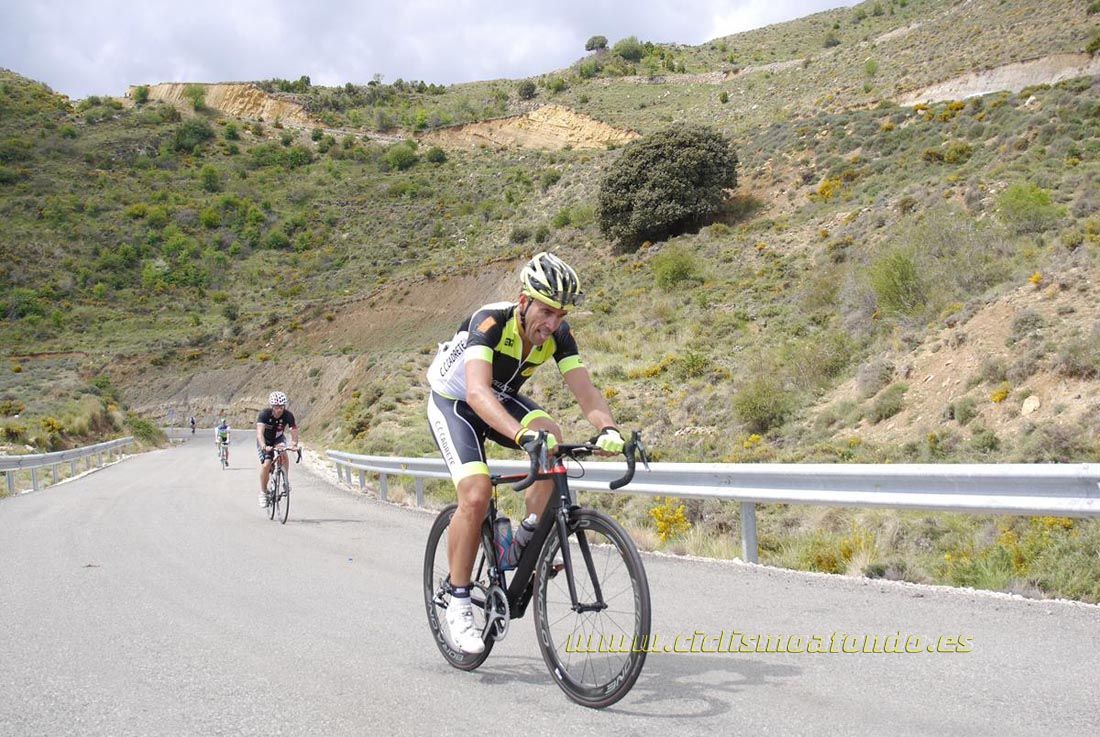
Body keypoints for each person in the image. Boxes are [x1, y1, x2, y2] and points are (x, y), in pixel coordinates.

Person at [426, 251, 625, 654]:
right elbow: (478, 393)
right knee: (476, 494)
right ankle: (459, 600)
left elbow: (584, 389)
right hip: (457, 402)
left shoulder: (559, 335)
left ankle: (529, 534)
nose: (551, 323)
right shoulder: (490, 321)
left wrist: (608, 429)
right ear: (523, 302)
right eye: (546, 312)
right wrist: (520, 436)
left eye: (560, 314)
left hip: (499, 398)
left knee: (551, 433)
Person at [256, 392, 299, 507]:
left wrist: (294, 444)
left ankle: (285, 480)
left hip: (278, 439)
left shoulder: (288, 415)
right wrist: (264, 446)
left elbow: (293, 430)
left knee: (283, 453)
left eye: (281, 407)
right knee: (266, 465)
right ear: (272, 406)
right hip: (265, 441)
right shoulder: (264, 414)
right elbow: (259, 433)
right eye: (276, 407)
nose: (279, 410)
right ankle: (263, 492)